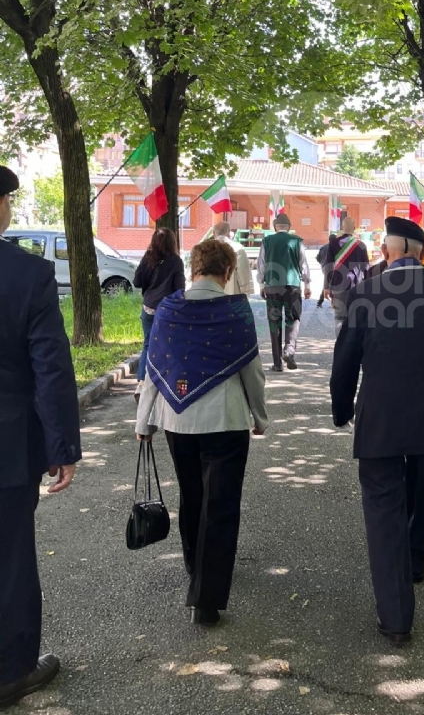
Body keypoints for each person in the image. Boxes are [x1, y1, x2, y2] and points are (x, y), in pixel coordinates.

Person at [330, 216, 424, 646]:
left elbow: (345, 361)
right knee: (423, 480)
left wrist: (341, 410)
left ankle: (396, 617)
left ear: (390, 251)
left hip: (380, 418)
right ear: (420, 254)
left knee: (382, 509)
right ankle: (417, 553)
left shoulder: (364, 292)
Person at [135, 239, 268, 626]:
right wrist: (260, 415)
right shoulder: (236, 310)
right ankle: (205, 601)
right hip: (225, 420)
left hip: (178, 421)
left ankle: (195, 567)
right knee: (221, 506)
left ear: (193, 268)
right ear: (227, 273)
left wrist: (144, 423)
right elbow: (252, 372)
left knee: (193, 497)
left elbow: (153, 370)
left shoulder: (167, 310)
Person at [0, 166, 81, 708]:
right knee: (9, 561)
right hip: (8, 448)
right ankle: (11, 671)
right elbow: (50, 366)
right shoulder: (28, 275)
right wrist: (62, 448)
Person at [256, 213, 311, 371]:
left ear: (275, 227)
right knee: (293, 319)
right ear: (289, 227)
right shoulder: (297, 241)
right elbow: (303, 264)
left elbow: (261, 264)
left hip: (272, 286)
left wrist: (261, 284)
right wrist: (307, 284)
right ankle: (289, 350)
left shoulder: (267, 241)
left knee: (274, 322)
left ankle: (277, 363)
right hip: (292, 286)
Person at [133, 229, 185, 396]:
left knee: (148, 344)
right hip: (168, 309)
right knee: (168, 344)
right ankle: (165, 384)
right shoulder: (176, 261)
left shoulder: (148, 257)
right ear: (172, 242)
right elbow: (180, 288)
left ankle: (141, 383)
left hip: (148, 307)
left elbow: (137, 281)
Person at [325, 217, 370, 336]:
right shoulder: (361, 245)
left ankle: (341, 345)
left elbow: (328, 267)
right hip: (357, 286)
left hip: (338, 285)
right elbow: (366, 268)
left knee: (340, 317)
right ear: (354, 228)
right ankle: (352, 346)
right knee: (355, 317)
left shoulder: (333, 244)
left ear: (342, 228)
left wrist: (326, 287)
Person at [212, 221, 253, 297]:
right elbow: (243, 273)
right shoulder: (237, 248)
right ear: (229, 233)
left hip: (211, 295)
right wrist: (246, 292)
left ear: (214, 233)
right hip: (232, 296)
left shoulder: (205, 250)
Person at [316, 233, 337, 307]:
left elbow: (317, 258)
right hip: (333, 267)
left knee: (327, 283)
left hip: (324, 267)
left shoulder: (323, 247)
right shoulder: (335, 247)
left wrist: (322, 263)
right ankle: (332, 302)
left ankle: (320, 301)